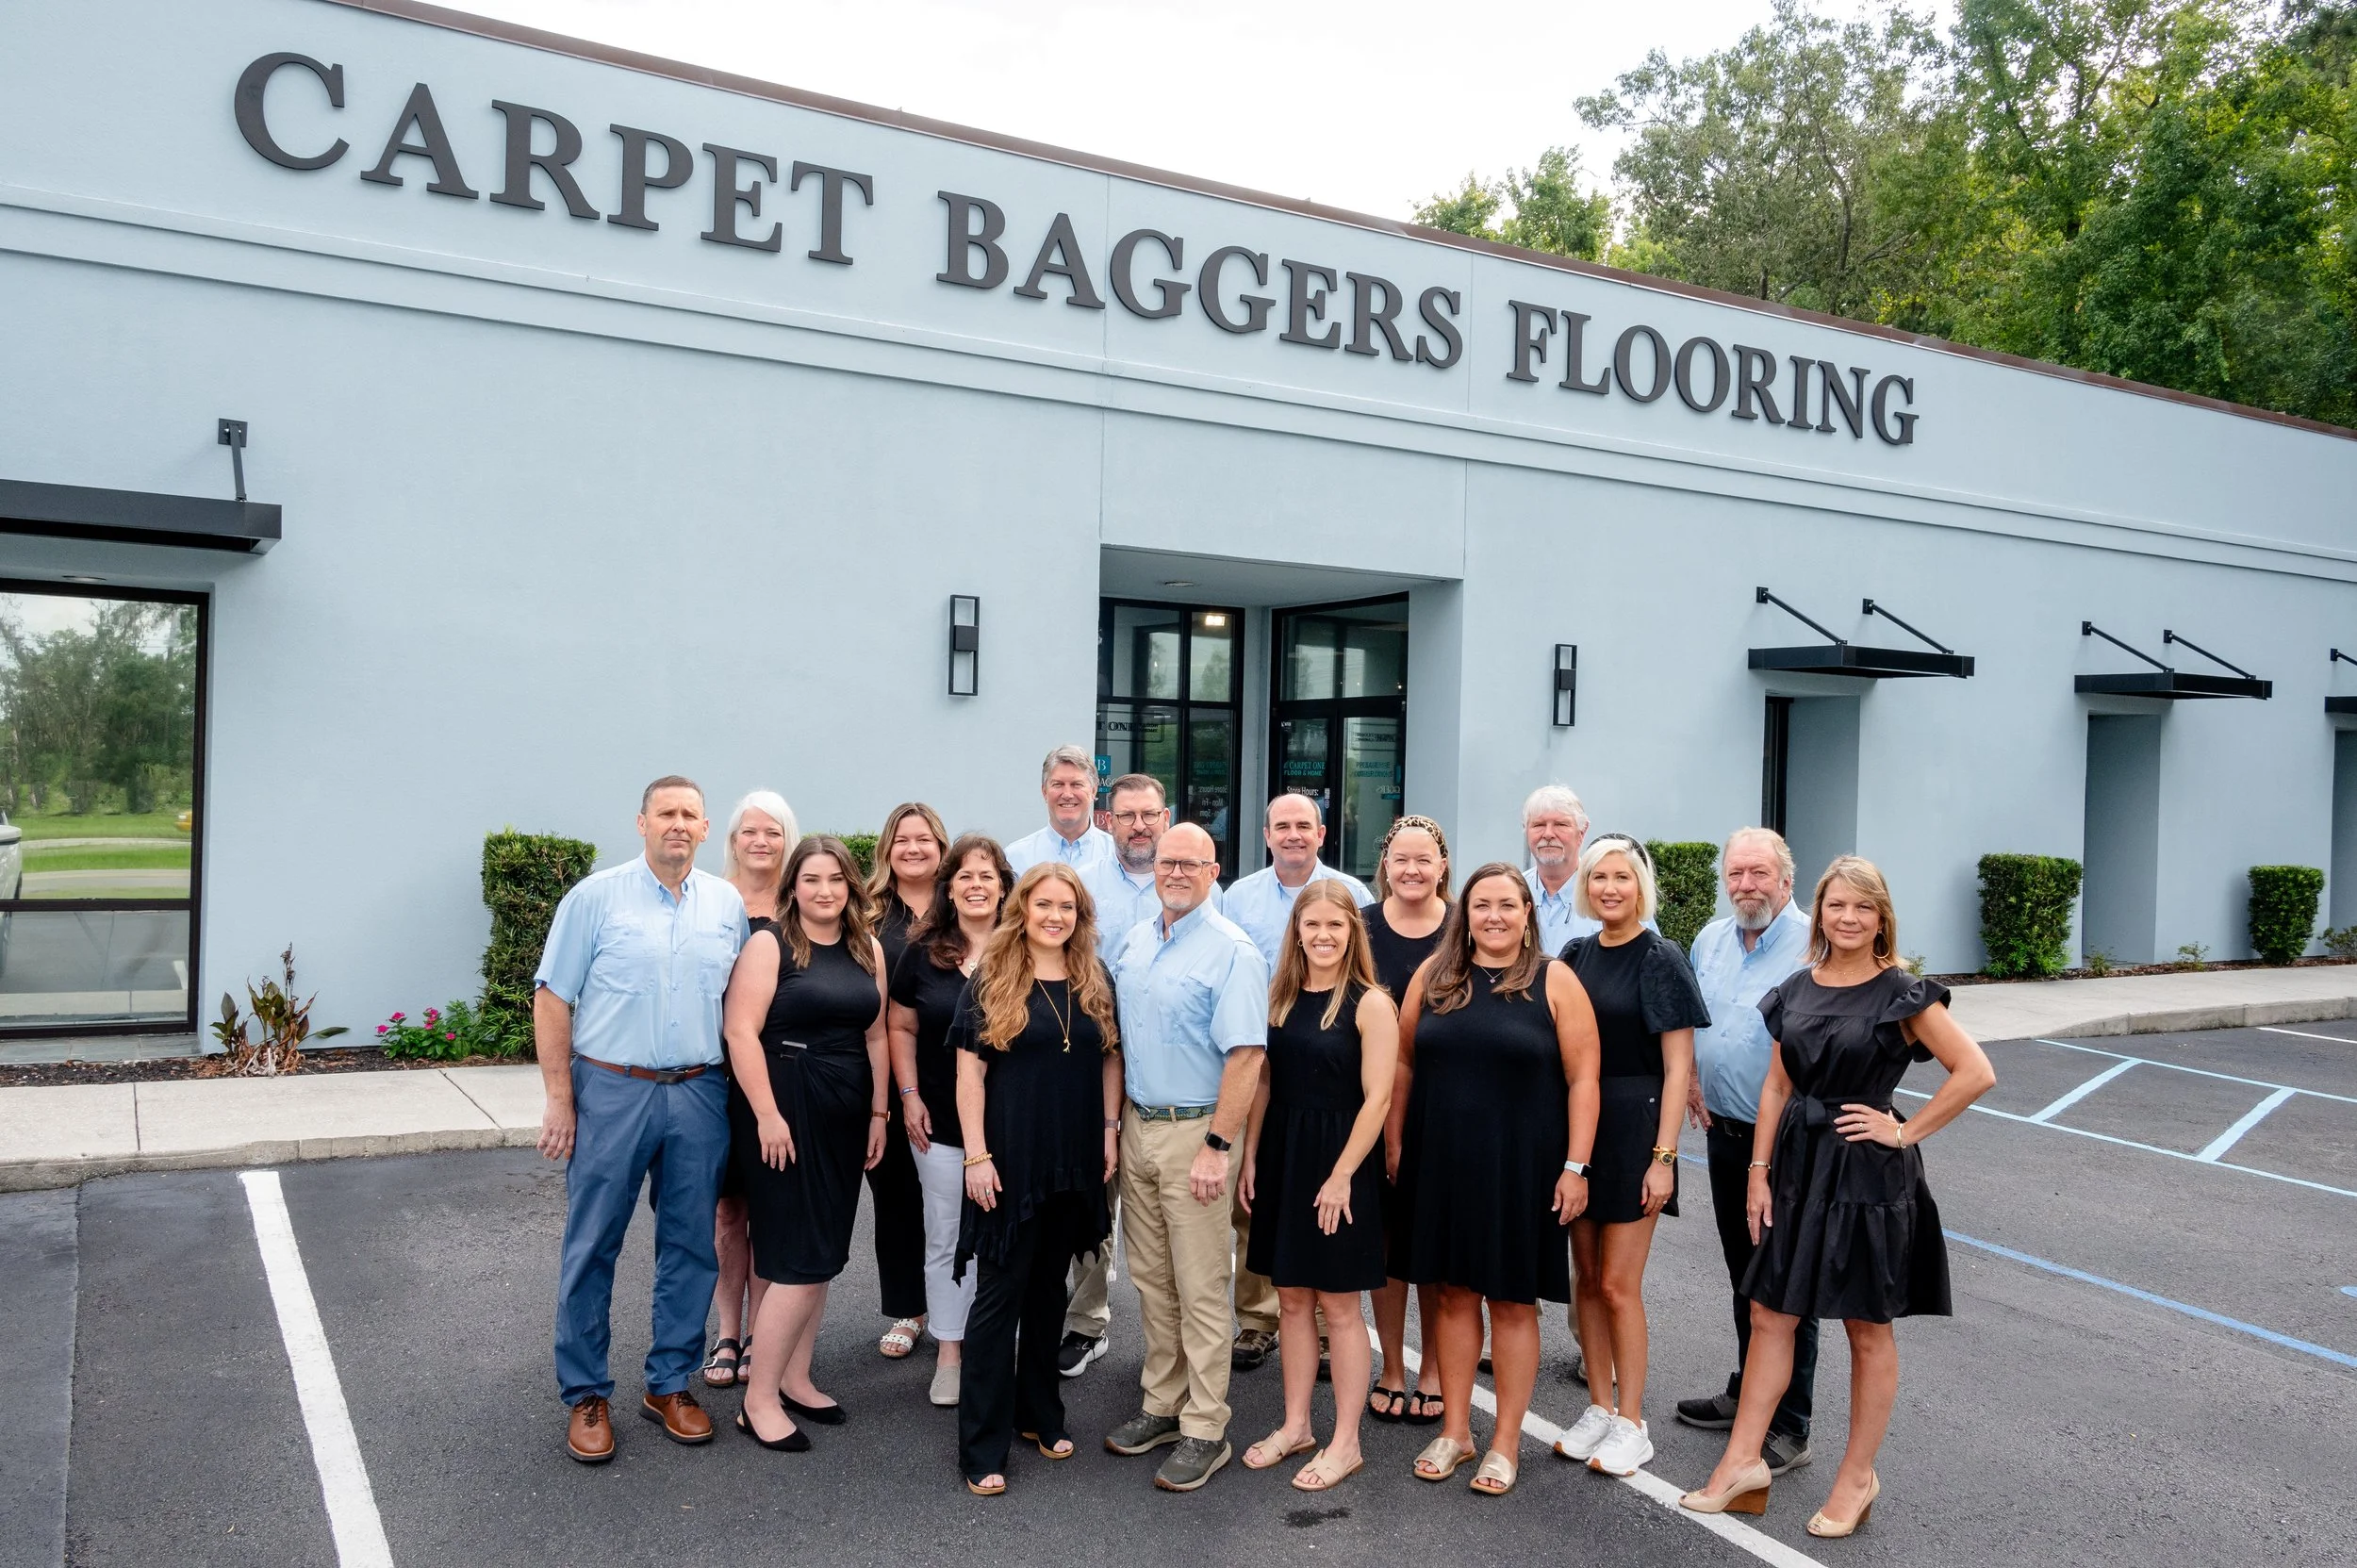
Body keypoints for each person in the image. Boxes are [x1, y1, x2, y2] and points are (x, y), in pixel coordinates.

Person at [1681, 856, 1994, 1537]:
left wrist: (1904, 1129)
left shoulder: (1902, 994)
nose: (1847, 918)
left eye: (1862, 907)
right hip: (1796, 1167)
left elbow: (1975, 1071)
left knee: (1864, 1326)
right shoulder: (1796, 986)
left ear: (1882, 918)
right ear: (1818, 913)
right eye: (1836, 906)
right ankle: (1741, 1463)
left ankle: (1858, 1475)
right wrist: (1758, 1170)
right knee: (1770, 1313)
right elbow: (1776, 1087)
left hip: (1867, 1176)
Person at [535, 776, 748, 1463]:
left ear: (706, 827)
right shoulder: (595, 898)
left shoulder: (726, 904)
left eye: (690, 814)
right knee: (593, 1241)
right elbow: (552, 998)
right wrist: (560, 1096)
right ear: (641, 822)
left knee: (690, 1243)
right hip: (612, 1088)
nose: (677, 825)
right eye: (666, 813)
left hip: (698, 1091)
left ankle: (669, 1383)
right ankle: (586, 1392)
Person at [1388, 863, 1599, 1497]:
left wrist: (1576, 1165)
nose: (1495, 916)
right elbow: (1402, 1060)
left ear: (1528, 911)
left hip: (1520, 1167)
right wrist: (1396, 1141)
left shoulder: (1555, 980)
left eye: (1508, 904)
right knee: (1451, 1294)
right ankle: (1456, 1430)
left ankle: (1505, 1440)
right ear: (1465, 911)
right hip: (1440, 1159)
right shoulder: (1435, 975)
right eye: (1482, 905)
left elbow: (1585, 1077)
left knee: (1509, 1301)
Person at [1101, 822, 1270, 1494]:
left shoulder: (1233, 951)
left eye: (1189, 862)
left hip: (1197, 1132)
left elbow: (1247, 1055)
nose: (1174, 871)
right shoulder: (1139, 939)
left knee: (1200, 1286)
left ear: (1213, 869)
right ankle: (1162, 1404)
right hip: (1140, 1126)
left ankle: (1205, 1424)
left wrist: (1218, 1146)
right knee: (1149, 1276)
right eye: (1166, 861)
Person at [952, 863, 1125, 1495]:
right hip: (1010, 1155)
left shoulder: (1094, 978)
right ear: (1022, 908)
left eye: (1068, 907)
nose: (1055, 916)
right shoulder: (992, 976)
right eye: (1044, 904)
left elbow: (1109, 1056)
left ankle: (1038, 1414)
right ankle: (981, 1443)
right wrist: (976, 1155)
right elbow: (969, 1075)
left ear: (1080, 917)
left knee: (1051, 1289)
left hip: (1075, 1155)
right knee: (1000, 1298)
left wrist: (1109, 1130)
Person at [723, 835, 891, 1452]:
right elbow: (740, 1030)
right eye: (812, 879)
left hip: (846, 1115)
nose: (825, 891)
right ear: (794, 885)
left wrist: (879, 1111)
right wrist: (766, 1114)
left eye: (836, 880)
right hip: (784, 1109)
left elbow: (875, 1036)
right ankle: (757, 1398)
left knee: (822, 1254)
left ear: (852, 886)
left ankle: (795, 1376)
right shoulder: (770, 943)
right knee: (796, 1257)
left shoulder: (866, 946)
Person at [1552, 835, 1707, 1478]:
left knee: (1618, 1284)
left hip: (1636, 1127)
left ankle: (1632, 1422)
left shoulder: (1661, 957)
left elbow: (1678, 1067)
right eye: (1599, 877)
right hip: (1579, 1128)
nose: (1609, 887)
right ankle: (1597, 1405)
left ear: (1640, 885)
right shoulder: (1574, 953)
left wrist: (1664, 1156)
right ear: (1586, 885)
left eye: (1622, 876)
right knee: (1584, 1279)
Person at [1238, 882, 1397, 1493]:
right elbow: (1264, 1085)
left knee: (1338, 1305)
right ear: (1296, 930)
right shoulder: (1278, 996)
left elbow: (1378, 1097)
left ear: (1352, 931)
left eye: (1336, 924)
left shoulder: (1370, 1002)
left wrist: (1341, 1175)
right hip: (1284, 1157)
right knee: (1292, 1300)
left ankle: (1346, 1440)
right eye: (1313, 925)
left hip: (1341, 1166)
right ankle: (1298, 1424)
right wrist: (1252, 1157)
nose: (1324, 935)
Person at [1674, 828, 1819, 1474]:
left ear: (1787, 879)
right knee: (1745, 1273)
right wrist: (1696, 1079)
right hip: (1726, 1134)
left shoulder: (1813, 942)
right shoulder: (1711, 938)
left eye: (1759, 873)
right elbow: (1704, 1019)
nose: (1745, 886)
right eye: (1736, 873)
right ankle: (1749, 1389)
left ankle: (1790, 1423)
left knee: (1786, 1280)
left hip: (1789, 1140)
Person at [1216, 793, 1372, 1370]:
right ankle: (1258, 1321)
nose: (1292, 835)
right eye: (1281, 825)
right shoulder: (1239, 896)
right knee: (1257, 1211)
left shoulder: (1354, 895)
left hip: (1330, 1065)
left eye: (1303, 825)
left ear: (1322, 833)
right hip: (1265, 1059)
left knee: (1328, 1213)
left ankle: (1331, 1335)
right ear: (1265, 833)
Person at [887, 832, 1013, 1408]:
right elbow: (901, 1027)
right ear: (949, 887)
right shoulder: (923, 950)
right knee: (945, 1240)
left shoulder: (1026, 949)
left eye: (987, 875)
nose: (976, 885)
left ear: (1004, 885)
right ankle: (951, 1352)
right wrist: (908, 1094)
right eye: (964, 875)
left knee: (1009, 1241)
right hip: (937, 1123)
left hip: (1014, 1127)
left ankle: (1000, 1347)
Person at [1059, 772, 1169, 1381]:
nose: (1138, 825)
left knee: (1159, 1222)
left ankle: (1168, 1341)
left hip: (1164, 1078)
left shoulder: (1190, 881)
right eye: (1126, 815)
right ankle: (1086, 1321)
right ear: (1108, 820)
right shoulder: (1085, 889)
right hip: (1094, 1068)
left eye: (1149, 814)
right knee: (1093, 1205)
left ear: (1165, 815)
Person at [702, 790, 797, 1394]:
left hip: (781, 1080)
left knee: (772, 1211)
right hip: (715, 1078)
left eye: (773, 832)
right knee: (727, 1211)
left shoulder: (801, 902)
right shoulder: (709, 899)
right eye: (749, 832)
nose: (760, 842)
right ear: (733, 839)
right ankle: (728, 1330)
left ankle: (765, 1330)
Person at [1361, 814, 1453, 1427]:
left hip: (1448, 1108)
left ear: (1443, 865)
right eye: (1402, 859)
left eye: (1424, 859)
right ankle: (1392, 1364)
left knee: (1439, 1247)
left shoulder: (1466, 929)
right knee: (1386, 1246)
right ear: (1385, 866)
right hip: (1371, 1105)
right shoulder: (1362, 928)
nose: (1413, 869)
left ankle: (1437, 1370)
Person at [864, 802, 948, 1362]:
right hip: (885, 1076)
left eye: (923, 839)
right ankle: (909, 1307)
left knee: (954, 1200)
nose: (912, 849)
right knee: (896, 1194)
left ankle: (958, 1304)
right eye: (901, 840)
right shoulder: (867, 914)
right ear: (886, 850)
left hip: (954, 1070)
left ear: (941, 847)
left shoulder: (961, 902)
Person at [1005, 745, 1116, 876]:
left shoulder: (1116, 854)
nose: (1067, 794)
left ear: (1093, 790)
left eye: (1076, 784)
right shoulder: (1015, 858)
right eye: (1058, 784)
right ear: (1044, 791)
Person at [1522, 784, 1597, 955]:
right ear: (1526, 831)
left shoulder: (1607, 895)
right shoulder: (1512, 891)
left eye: (1560, 824)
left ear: (1582, 832)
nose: (1548, 834)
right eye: (1538, 825)